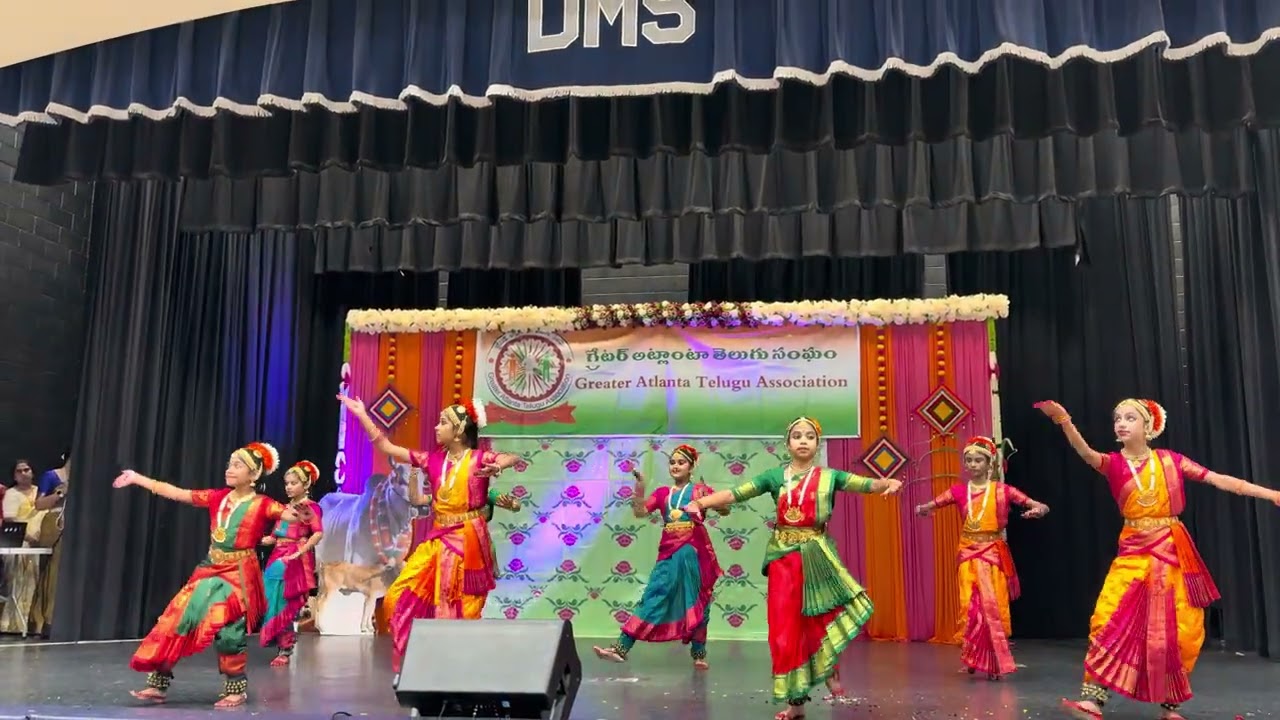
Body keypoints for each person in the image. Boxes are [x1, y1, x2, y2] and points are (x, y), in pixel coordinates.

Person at [1038, 399, 1280, 720]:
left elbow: (1220, 479)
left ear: (1149, 427)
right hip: (1134, 552)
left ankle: (1170, 706)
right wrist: (1065, 422)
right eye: (1117, 418)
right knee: (1108, 619)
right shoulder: (1113, 464)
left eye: (1130, 418)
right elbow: (1086, 454)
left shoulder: (1171, 461)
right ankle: (1093, 700)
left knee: (1179, 629)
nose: (1121, 423)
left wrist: (1272, 494)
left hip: (1171, 551)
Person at [682, 417, 902, 719]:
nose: (803, 440)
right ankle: (796, 702)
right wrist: (702, 503)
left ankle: (830, 672)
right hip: (784, 559)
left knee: (820, 621)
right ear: (787, 444)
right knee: (784, 629)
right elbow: (736, 493)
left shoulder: (830, 476)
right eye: (797, 436)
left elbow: (864, 484)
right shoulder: (775, 477)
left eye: (809, 436)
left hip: (817, 556)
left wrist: (886, 483)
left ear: (817, 444)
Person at [113, 441, 312, 709]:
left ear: (253, 475)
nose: (230, 469)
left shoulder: (263, 504)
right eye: (230, 464)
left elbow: (291, 515)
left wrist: (300, 515)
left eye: (238, 465)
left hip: (239, 574)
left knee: (229, 629)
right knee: (178, 618)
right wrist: (138, 478)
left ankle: (236, 688)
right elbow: (177, 493)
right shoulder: (216, 497)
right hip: (209, 568)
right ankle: (158, 684)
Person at [337, 394, 517, 671]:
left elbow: (511, 456)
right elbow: (387, 446)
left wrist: (499, 465)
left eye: (443, 422)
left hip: (469, 542)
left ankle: (456, 669)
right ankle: (420, 663)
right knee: (396, 597)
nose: (436, 427)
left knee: (465, 608)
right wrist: (361, 414)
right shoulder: (431, 460)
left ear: (458, 431)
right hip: (438, 539)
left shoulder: (480, 459)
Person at [914, 435, 1049, 680]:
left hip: (993, 553)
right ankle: (972, 656)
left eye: (978, 460)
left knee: (993, 605)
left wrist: (1038, 509)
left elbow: (1037, 504)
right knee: (969, 605)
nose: (973, 465)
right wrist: (922, 509)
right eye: (969, 461)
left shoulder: (1003, 491)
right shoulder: (958, 491)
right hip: (968, 553)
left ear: (989, 464)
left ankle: (995, 657)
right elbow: (932, 504)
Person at [592, 445, 727, 669]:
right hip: (669, 551)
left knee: (699, 601)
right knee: (654, 595)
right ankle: (621, 648)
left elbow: (724, 509)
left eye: (681, 462)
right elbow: (640, 512)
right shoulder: (663, 493)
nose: (675, 466)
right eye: (672, 462)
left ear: (691, 466)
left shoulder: (699, 490)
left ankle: (699, 654)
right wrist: (640, 486)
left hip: (694, 552)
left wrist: (714, 503)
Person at [259, 460, 325, 666]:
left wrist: (301, 551)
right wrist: (257, 538)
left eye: (293, 483)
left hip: (294, 558)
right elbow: (275, 535)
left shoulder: (310, 507)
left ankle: (285, 647)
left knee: (285, 601)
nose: (288, 487)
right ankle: (280, 642)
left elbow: (318, 533)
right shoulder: (283, 508)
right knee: (270, 598)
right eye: (287, 483)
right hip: (278, 554)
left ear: (305, 485)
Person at [0, 459, 64, 635]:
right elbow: (10, 519)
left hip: (42, 540)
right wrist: (28, 537)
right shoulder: (11, 494)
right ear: (14, 475)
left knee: (38, 580)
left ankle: (33, 622)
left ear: (32, 472)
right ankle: (13, 625)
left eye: (26, 469)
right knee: (20, 581)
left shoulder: (39, 492)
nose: (23, 473)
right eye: (19, 471)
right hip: (20, 542)